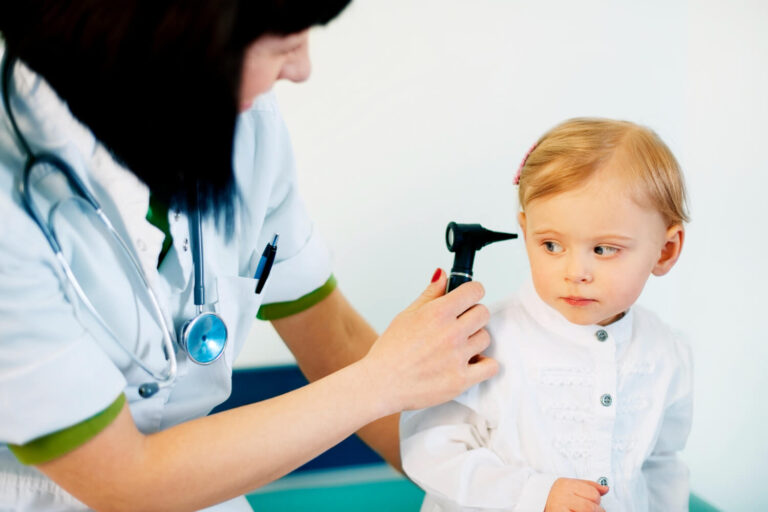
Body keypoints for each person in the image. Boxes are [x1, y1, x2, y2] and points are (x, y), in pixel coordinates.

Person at [0, 2, 499, 511]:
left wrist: (482, 488)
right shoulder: (8, 198)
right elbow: (124, 480)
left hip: (200, 483)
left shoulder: (241, 124)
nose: (302, 69)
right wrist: (383, 380)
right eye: (285, 45)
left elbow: (336, 340)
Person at [400, 118, 693, 512]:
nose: (576, 272)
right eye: (552, 245)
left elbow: (661, 464)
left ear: (665, 250)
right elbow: (431, 451)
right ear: (526, 231)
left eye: (603, 249)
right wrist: (534, 494)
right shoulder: (482, 341)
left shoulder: (666, 352)